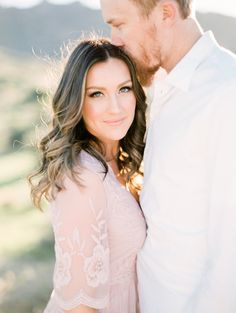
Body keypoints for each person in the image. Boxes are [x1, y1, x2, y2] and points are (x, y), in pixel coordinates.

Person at [100, 0, 236, 312]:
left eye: (119, 24)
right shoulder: (165, 86)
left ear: (165, 13)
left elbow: (231, 260)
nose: (113, 40)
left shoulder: (226, 94)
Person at [29, 37, 147, 313]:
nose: (115, 107)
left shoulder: (121, 163)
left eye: (124, 89)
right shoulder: (81, 177)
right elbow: (80, 307)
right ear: (76, 102)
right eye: (97, 94)